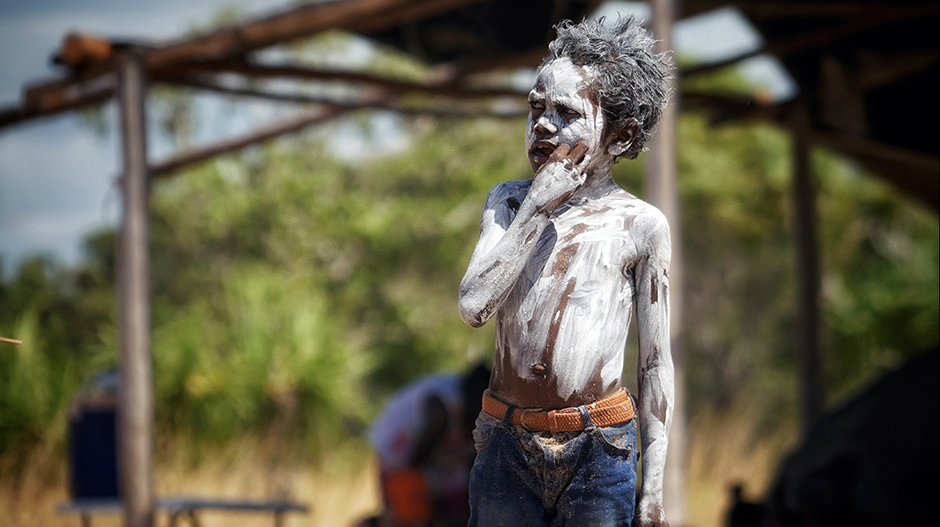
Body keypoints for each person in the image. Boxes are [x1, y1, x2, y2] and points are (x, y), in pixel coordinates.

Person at [457, 16, 675, 527]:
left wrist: (654, 489)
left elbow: (654, 365)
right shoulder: (509, 204)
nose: (544, 124)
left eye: (566, 112)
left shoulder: (640, 225)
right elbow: (473, 307)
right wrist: (538, 207)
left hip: (599, 450)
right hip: (504, 440)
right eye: (536, 107)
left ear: (620, 136)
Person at [362, 363, 491, 527]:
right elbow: (413, 466)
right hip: (400, 463)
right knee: (411, 505)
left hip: (423, 465)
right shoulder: (441, 407)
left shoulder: (467, 399)